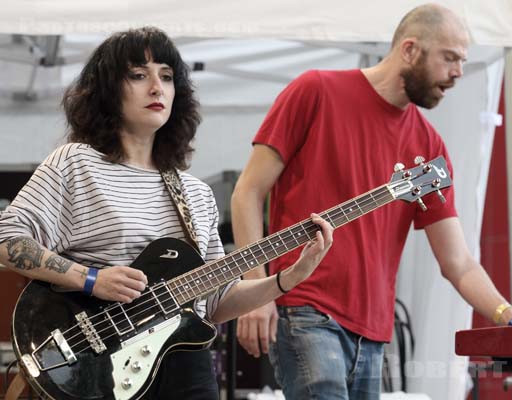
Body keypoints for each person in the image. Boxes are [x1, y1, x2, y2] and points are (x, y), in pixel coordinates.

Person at [231, 4, 512, 400]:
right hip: (306, 309)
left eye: (463, 61)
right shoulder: (315, 90)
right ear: (410, 49)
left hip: (374, 333)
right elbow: (247, 192)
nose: (459, 73)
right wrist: (254, 290)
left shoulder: (429, 148)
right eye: (450, 57)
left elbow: (458, 263)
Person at [0, 27, 333, 400]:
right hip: (95, 359)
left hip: (181, 364)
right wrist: (91, 278)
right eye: (139, 75)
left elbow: (216, 302)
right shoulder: (76, 163)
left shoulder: (195, 194)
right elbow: (6, 238)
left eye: (167, 76)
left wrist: (286, 279)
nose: (157, 87)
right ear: (108, 89)